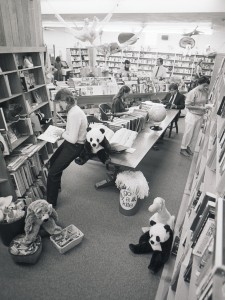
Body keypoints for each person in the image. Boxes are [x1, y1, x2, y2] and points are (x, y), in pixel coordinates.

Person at [47, 88, 88, 207]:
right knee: (53, 161)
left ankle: (51, 203)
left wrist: (61, 133)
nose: (59, 105)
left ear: (65, 101)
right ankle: (56, 188)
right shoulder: (73, 110)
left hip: (75, 146)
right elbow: (71, 132)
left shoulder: (74, 114)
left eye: (59, 102)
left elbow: (73, 139)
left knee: (52, 172)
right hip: (71, 143)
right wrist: (64, 132)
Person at [180, 76, 212, 157]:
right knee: (188, 133)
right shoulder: (192, 92)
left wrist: (207, 106)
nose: (206, 87)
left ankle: (189, 147)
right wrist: (200, 107)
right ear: (199, 84)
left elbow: (204, 102)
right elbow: (187, 105)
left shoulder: (205, 92)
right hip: (192, 115)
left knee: (195, 134)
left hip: (200, 115)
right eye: (204, 85)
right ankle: (183, 148)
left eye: (207, 85)